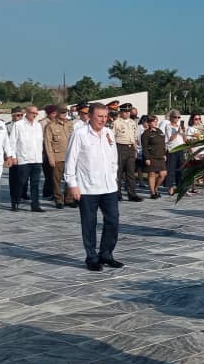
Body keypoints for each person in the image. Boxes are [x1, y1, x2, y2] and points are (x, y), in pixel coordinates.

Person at [65, 103, 122, 271]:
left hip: (108, 186)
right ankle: (91, 257)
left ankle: (106, 254)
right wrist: (72, 185)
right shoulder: (80, 134)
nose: (103, 120)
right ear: (90, 116)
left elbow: (113, 159)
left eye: (105, 117)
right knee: (89, 223)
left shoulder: (108, 133)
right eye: (99, 116)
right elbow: (71, 161)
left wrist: (113, 178)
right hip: (87, 187)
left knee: (113, 221)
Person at [8, 105, 45, 212]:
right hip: (23, 158)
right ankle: (15, 202)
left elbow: (40, 141)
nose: (35, 115)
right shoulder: (18, 125)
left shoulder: (38, 125)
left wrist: (41, 155)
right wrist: (13, 156)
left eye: (36, 113)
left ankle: (35, 205)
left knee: (35, 183)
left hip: (36, 159)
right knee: (21, 182)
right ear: (27, 113)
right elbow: (12, 142)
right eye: (33, 113)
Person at [44, 105, 74, 208]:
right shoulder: (51, 126)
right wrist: (51, 158)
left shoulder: (70, 124)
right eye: (62, 113)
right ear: (57, 114)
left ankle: (69, 199)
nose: (65, 115)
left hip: (69, 156)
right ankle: (58, 199)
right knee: (56, 180)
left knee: (69, 178)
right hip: (57, 156)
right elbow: (48, 143)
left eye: (66, 113)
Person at [113, 102, 142, 201]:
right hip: (120, 147)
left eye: (128, 111)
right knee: (119, 172)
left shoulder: (133, 123)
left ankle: (132, 194)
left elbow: (134, 137)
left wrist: (135, 150)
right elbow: (112, 137)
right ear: (121, 112)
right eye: (125, 111)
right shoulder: (116, 122)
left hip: (130, 148)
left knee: (131, 173)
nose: (127, 113)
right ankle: (117, 194)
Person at [139, 115, 167, 199]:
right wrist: (147, 158)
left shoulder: (159, 131)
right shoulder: (145, 134)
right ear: (149, 123)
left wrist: (164, 153)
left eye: (156, 121)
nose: (156, 123)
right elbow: (144, 147)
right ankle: (152, 193)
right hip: (151, 156)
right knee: (152, 174)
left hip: (160, 156)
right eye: (154, 121)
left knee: (163, 174)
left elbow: (163, 144)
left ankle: (156, 188)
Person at [186, 113, 204, 194]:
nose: (198, 120)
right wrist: (193, 153)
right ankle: (193, 187)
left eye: (199, 118)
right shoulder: (190, 129)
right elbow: (188, 142)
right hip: (196, 151)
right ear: (192, 120)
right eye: (196, 119)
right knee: (195, 170)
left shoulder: (202, 128)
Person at [163, 109, 186, 195]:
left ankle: (180, 187)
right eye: (175, 117)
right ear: (171, 118)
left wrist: (183, 132)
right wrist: (177, 132)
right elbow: (170, 139)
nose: (177, 119)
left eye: (178, 117)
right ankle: (171, 187)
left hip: (180, 149)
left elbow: (185, 140)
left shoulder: (179, 126)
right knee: (171, 169)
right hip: (172, 149)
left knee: (181, 169)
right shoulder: (168, 126)